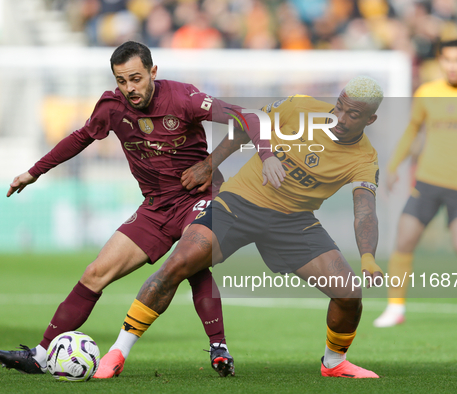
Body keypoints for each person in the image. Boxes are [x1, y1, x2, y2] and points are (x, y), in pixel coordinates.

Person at [0, 41, 285, 377]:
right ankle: (42, 356)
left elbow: (248, 117)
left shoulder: (182, 98)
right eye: (121, 81)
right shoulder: (112, 107)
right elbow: (80, 137)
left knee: (189, 261)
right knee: (94, 274)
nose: (129, 88)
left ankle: (218, 346)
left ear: (152, 72)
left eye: (136, 79)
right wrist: (34, 171)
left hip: (201, 198)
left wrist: (231, 160)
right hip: (156, 208)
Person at [94, 76, 385, 379]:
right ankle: (118, 351)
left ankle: (334, 362)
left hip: (294, 221)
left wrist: (368, 258)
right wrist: (210, 163)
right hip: (239, 204)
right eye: (338, 107)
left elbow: (365, 211)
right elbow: (248, 124)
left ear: (370, 119)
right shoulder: (300, 108)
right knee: (177, 265)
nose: (339, 117)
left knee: (349, 292)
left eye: (352, 114)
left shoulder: (365, 158)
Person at [374, 39, 457, 328]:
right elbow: (413, 129)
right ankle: (395, 307)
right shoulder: (427, 92)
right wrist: (393, 165)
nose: (453, 65)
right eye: (447, 60)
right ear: (440, 62)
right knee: (404, 240)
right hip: (426, 182)